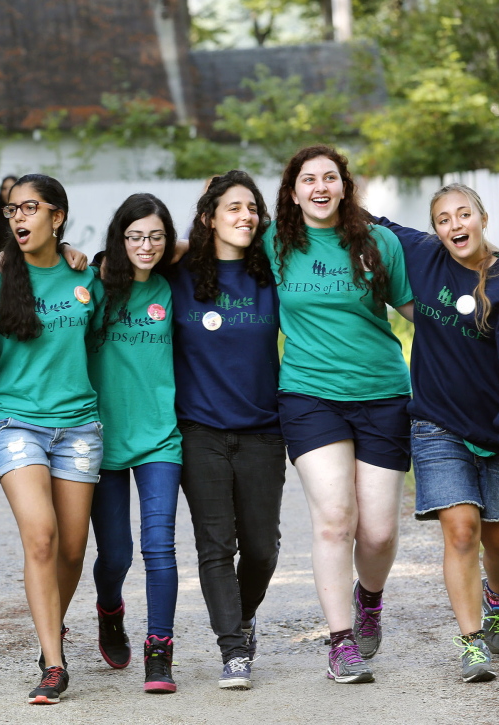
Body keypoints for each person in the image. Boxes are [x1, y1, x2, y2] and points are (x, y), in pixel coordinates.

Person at [267, 145, 413, 684]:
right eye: (309, 179)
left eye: (331, 177)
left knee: (376, 533)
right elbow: (209, 249)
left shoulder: (379, 243)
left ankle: (368, 600)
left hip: (381, 394)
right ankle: (339, 641)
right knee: (335, 520)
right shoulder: (275, 242)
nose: (321, 187)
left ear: (345, 187)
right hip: (309, 396)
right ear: (293, 190)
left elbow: (423, 313)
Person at [374, 184, 499, 682]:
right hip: (436, 423)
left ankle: (497, 598)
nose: (455, 226)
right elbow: (373, 222)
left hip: (495, 429)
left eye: (464, 214)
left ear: (483, 217)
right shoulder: (424, 255)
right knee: (462, 529)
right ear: (436, 229)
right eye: (444, 219)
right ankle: (472, 644)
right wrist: (323, 188)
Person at [0, 173, 102, 704]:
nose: (18, 218)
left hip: (79, 425)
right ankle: (54, 663)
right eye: (11, 210)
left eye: (29, 208)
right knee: (42, 537)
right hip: (17, 422)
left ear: (57, 217)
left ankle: (48, 633)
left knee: (74, 551)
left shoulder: (85, 276)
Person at [171, 171, 285, 690]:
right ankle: (233, 650)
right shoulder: (179, 276)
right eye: (232, 208)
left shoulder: (273, 274)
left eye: (252, 208)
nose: (245, 217)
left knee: (262, 548)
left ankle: (244, 616)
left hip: (263, 429)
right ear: (208, 218)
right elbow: (123, 258)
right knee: (215, 546)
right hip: (200, 432)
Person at [87, 193, 182, 693]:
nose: (146, 245)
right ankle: (110, 609)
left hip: (160, 439)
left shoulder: (174, 288)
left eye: (156, 236)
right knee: (117, 554)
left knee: (159, 547)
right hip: (101, 440)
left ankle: (159, 649)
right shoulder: (95, 288)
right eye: (135, 236)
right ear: (119, 239)